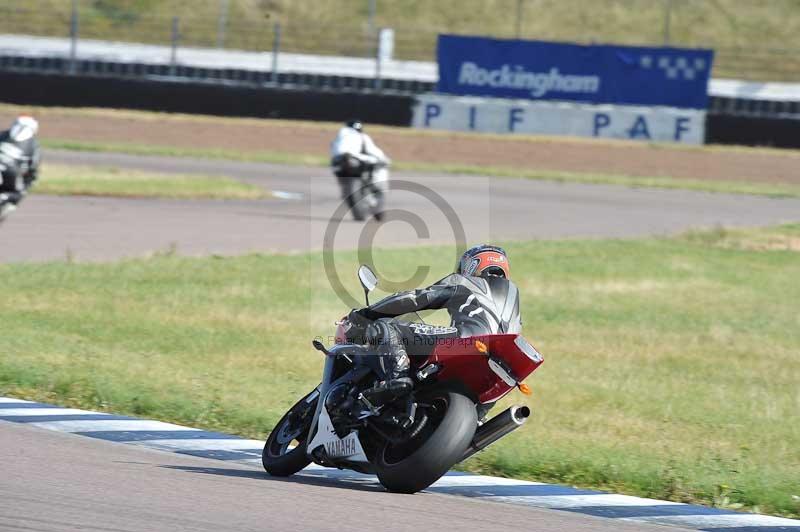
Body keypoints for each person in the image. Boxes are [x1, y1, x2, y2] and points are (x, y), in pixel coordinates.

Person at [351, 244, 522, 403]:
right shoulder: (514, 300)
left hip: (468, 341)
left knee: (387, 327)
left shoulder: (465, 281)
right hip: (503, 364)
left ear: (471, 265)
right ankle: (478, 421)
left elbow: (416, 298)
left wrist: (366, 313)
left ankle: (398, 378)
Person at [330, 120, 390, 221]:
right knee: (380, 172)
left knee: (344, 187)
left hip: (340, 165)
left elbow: (334, 155)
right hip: (358, 163)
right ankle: (376, 197)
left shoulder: (338, 138)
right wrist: (385, 160)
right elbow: (375, 152)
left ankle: (367, 198)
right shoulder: (362, 137)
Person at [0, 115, 41, 214]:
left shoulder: (3, 134)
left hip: (9, 172)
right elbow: (33, 168)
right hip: (11, 172)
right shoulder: (33, 144)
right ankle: (4, 198)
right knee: (18, 193)